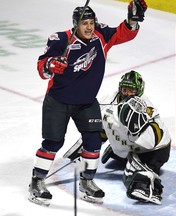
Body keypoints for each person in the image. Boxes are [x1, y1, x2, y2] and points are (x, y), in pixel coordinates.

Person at [28, 0, 148, 206]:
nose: (89, 27)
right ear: (76, 24)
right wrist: (51, 65)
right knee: (53, 143)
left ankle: (87, 181)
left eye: (92, 22)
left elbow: (123, 33)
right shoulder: (60, 40)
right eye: (85, 23)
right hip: (58, 101)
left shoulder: (100, 36)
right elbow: (42, 67)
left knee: (93, 142)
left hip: (86, 102)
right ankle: (37, 181)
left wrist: (133, 20)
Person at [66, 70, 171, 204]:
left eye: (131, 90)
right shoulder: (107, 101)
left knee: (131, 175)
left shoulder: (145, 106)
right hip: (129, 148)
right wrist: (87, 144)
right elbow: (102, 127)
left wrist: (136, 128)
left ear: (139, 90)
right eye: (125, 89)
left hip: (154, 151)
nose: (127, 93)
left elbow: (154, 138)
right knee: (122, 150)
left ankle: (148, 186)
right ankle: (119, 150)